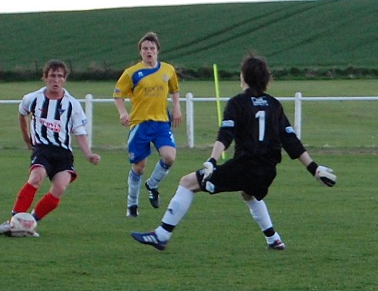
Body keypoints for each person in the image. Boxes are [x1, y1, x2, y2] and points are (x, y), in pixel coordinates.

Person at [131, 53, 336, 250]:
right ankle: (274, 239)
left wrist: (212, 159)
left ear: (244, 77)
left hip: (244, 168)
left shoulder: (238, 102)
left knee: (187, 183)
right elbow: (291, 141)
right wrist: (314, 169)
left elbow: (225, 135)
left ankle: (161, 235)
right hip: (267, 172)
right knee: (249, 193)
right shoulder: (274, 105)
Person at [0, 59, 101, 237]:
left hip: (63, 153)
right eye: (52, 76)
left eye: (59, 76)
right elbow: (22, 113)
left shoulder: (72, 104)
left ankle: (29, 223)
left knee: (59, 189)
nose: (56, 80)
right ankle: (13, 222)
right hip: (42, 149)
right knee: (36, 177)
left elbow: (79, 132)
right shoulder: (33, 98)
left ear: (65, 79)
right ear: (45, 78)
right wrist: (26, 138)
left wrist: (88, 154)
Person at [113, 32, 182, 217]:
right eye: (145, 48)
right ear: (140, 52)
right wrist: (122, 113)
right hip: (140, 124)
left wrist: (177, 108)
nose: (148, 51)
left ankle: (152, 184)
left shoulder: (168, 70)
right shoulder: (131, 73)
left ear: (158, 50)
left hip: (161, 122)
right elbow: (117, 94)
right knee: (138, 167)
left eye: (152, 48)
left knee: (169, 157)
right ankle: (132, 205)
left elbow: (175, 89)